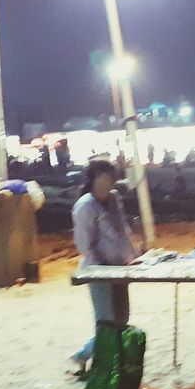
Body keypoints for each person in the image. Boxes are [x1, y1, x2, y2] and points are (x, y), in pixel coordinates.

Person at [69, 160, 141, 376]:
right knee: (107, 322)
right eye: (108, 177)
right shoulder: (85, 206)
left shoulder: (115, 198)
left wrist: (135, 254)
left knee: (121, 318)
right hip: (98, 271)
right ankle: (88, 360)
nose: (112, 182)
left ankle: (88, 358)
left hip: (121, 266)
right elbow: (84, 244)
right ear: (96, 177)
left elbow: (123, 230)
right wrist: (103, 267)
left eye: (113, 178)